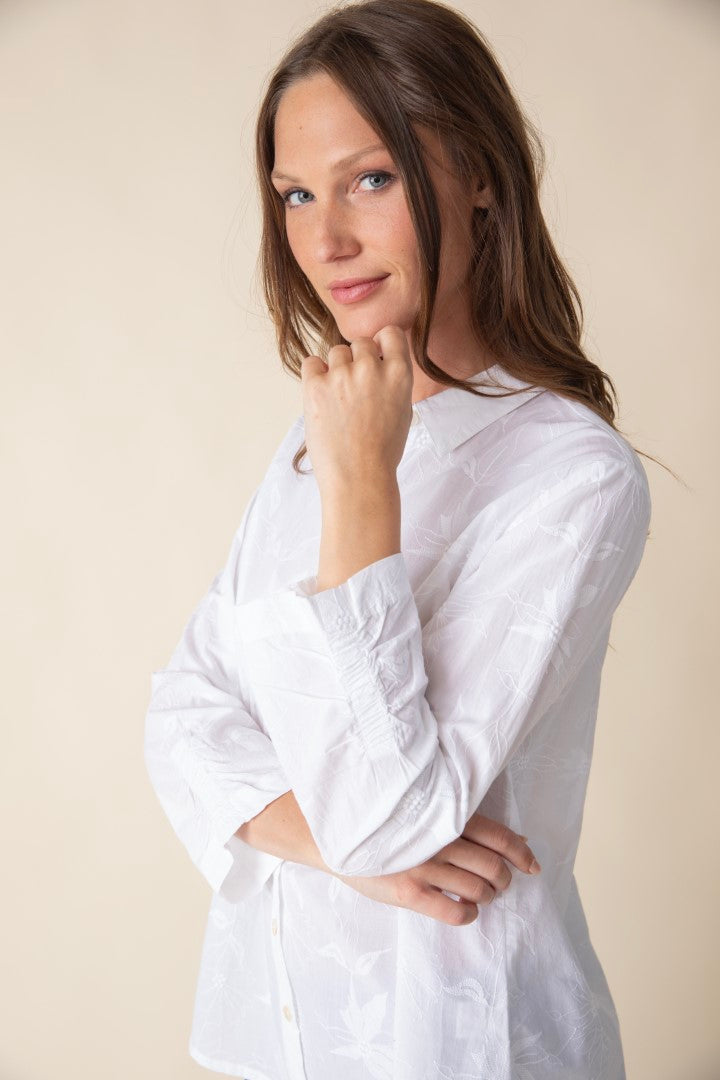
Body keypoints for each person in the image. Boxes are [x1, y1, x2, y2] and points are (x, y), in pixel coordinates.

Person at [144, 1, 656, 1077]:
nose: (325, 240)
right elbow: (183, 719)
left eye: (370, 179)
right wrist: (340, 850)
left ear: (479, 174)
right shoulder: (317, 436)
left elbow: (390, 820)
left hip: (457, 1041)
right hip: (277, 1036)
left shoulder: (572, 476)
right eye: (296, 194)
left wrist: (362, 489)